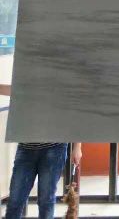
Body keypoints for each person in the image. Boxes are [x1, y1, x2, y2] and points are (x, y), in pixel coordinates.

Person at [0, 84, 82, 219]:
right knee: (15, 198)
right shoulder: (28, 83)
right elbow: (13, 88)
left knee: (46, 199)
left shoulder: (59, 84)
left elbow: (74, 114)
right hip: (26, 148)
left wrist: (77, 147)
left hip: (54, 148)